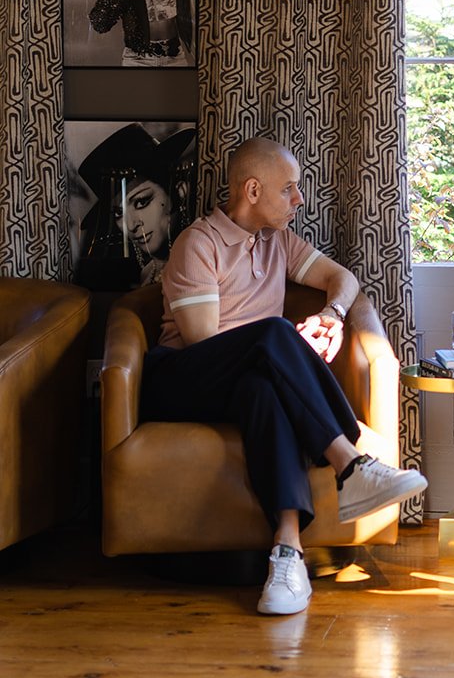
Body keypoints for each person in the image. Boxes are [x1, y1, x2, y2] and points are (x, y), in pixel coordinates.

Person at [141, 136, 427, 617]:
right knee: (274, 335)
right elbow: (205, 345)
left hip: (244, 381)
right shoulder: (198, 243)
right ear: (252, 191)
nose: (299, 199)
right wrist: (283, 349)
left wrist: (332, 315)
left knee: (265, 390)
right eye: (288, 188)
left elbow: (344, 280)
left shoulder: (279, 242)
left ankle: (287, 552)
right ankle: (351, 463)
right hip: (180, 379)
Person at [74, 123, 195, 292]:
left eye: (141, 202)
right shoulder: (148, 272)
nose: (131, 225)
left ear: (179, 191)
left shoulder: (198, 263)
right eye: (118, 213)